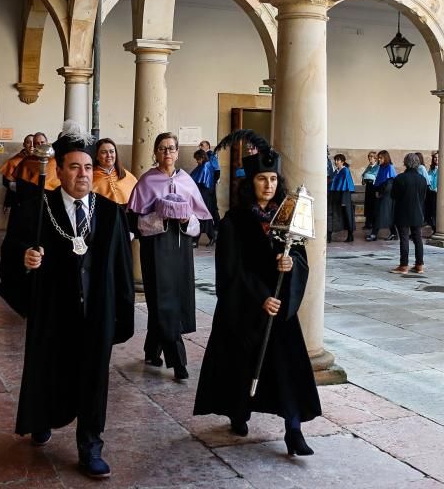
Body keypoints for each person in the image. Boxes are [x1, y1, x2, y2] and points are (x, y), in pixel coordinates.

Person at [0, 127, 135, 478]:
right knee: (50, 370)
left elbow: (121, 267)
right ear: (59, 170)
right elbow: (10, 257)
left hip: (96, 312)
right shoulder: (35, 209)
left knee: (94, 380)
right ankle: (42, 417)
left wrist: (121, 313)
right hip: (54, 311)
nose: (83, 174)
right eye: (74, 167)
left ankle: (90, 446)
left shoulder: (109, 212)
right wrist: (25, 262)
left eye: (88, 167)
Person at [193, 135, 320, 456]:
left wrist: (290, 264)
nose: (268, 185)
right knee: (241, 367)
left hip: (279, 310)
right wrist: (261, 296)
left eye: (273, 179)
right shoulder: (235, 220)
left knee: (287, 369)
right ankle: (238, 412)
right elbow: (231, 269)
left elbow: (302, 259)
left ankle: (293, 429)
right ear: (251, 182)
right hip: (245, 308)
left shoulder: (286, 219)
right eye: (262, 179)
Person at [127, 132, 212, 380]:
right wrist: (160, 216)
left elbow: (199, 222)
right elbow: (135, 222)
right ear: (155, 153)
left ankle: (152, 349)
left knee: (172, 299)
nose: (167, 153)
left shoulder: (186, 180)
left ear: (177, 152)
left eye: (171, 149)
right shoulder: (146, 181)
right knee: (162, 299)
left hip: (181, 250)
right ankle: (178, 361)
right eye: (162, 149)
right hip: (156, 248)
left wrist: (186, 219)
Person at [390, 153, 427, 274]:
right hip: (418, 212)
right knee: (418, 238)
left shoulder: (400, 178)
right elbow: (423, 197)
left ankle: (404, 265)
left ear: (405, 163)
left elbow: (393, 195)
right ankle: (419, 265)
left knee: (404, 238)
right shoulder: (422, 179)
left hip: (403, 212)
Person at [91, 137, 138, 205]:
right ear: (97, 156)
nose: (109, 155)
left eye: (111, 151)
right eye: (104, 152)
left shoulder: (127, 176)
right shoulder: (91, 177)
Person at [191, 148, 220, 246]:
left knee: (202, 216)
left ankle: (197, 240)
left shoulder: (205, 166)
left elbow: (200, 181)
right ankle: (208, 237)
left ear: (202, 157)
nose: (196, 161)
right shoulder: (204, 165)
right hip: (205, 194)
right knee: (203, 216)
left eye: (197, 159)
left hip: (205, 194)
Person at [366, 150, 397, 241]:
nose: (379, 160)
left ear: (386, 158)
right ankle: (393, 233)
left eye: (381, 158)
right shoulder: (381, 167)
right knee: (381, 215)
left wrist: (381, 193)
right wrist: (377, 191)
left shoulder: (390, 167)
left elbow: (390, 183)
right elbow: (378, 181)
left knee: (382, 214)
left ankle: (374, 234)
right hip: (381, 194)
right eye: (378, 158)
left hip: (387, 196)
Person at [0, 134, 34, 214]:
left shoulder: (41, 161)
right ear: (24, 145)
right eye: (28, 142)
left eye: (34, 142)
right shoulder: (14, 161)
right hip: (18, 200)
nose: (31, 145)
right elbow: (6, 182)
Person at [328, 154, 355, 243]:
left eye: (338, 160)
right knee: (332, 215)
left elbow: (347, 184)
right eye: (335, 160)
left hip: (344, 195)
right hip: (334, 195)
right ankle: (329, 235)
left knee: (347, 215)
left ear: (342, 161)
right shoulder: (336, 171)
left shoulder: (345, 171)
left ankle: (350, 235)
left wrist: (344, 199)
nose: (336, 162)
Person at [360, 151, 379, 231]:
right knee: (367, 205)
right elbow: (364, 175)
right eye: (369, 157)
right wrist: (365, 177)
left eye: (371, 157)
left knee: (373, 205)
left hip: (374, 188)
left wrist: (367, 175)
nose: (370, 158)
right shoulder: (369, 166)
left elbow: (374, 176)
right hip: (368, 187)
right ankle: (367, 223)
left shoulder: (378, 167)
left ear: (375, 158)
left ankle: (373, 223)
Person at [425, 151, 439, 231]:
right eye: (435, 157)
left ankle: (436, 229)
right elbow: (429, 179)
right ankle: (434, 228)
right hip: (431, 192)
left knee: (435, 213)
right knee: (430, 213)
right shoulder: (431, 169)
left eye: (438, 158)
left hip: (438, 193)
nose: (436, 159)